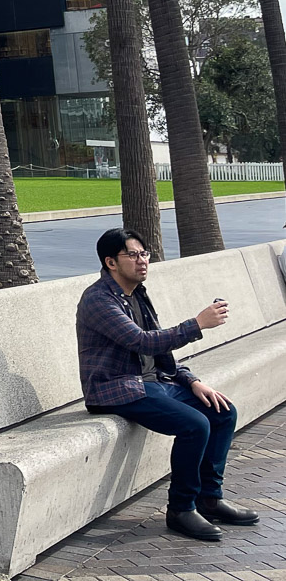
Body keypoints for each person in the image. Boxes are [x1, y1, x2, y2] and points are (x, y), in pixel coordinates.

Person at [77, 227, 255, 541]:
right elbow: (141, 341)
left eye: (144, 253)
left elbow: (160, 351)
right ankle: (181, 509)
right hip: (115, 388)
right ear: (111, 262)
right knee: (195, 424)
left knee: (223, 412)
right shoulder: (98, 300)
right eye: (132, 255)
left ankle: (210, 499)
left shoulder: (137, 295)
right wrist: (198, 324)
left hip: (153, 383)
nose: (142, 260)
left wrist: (192, 381)